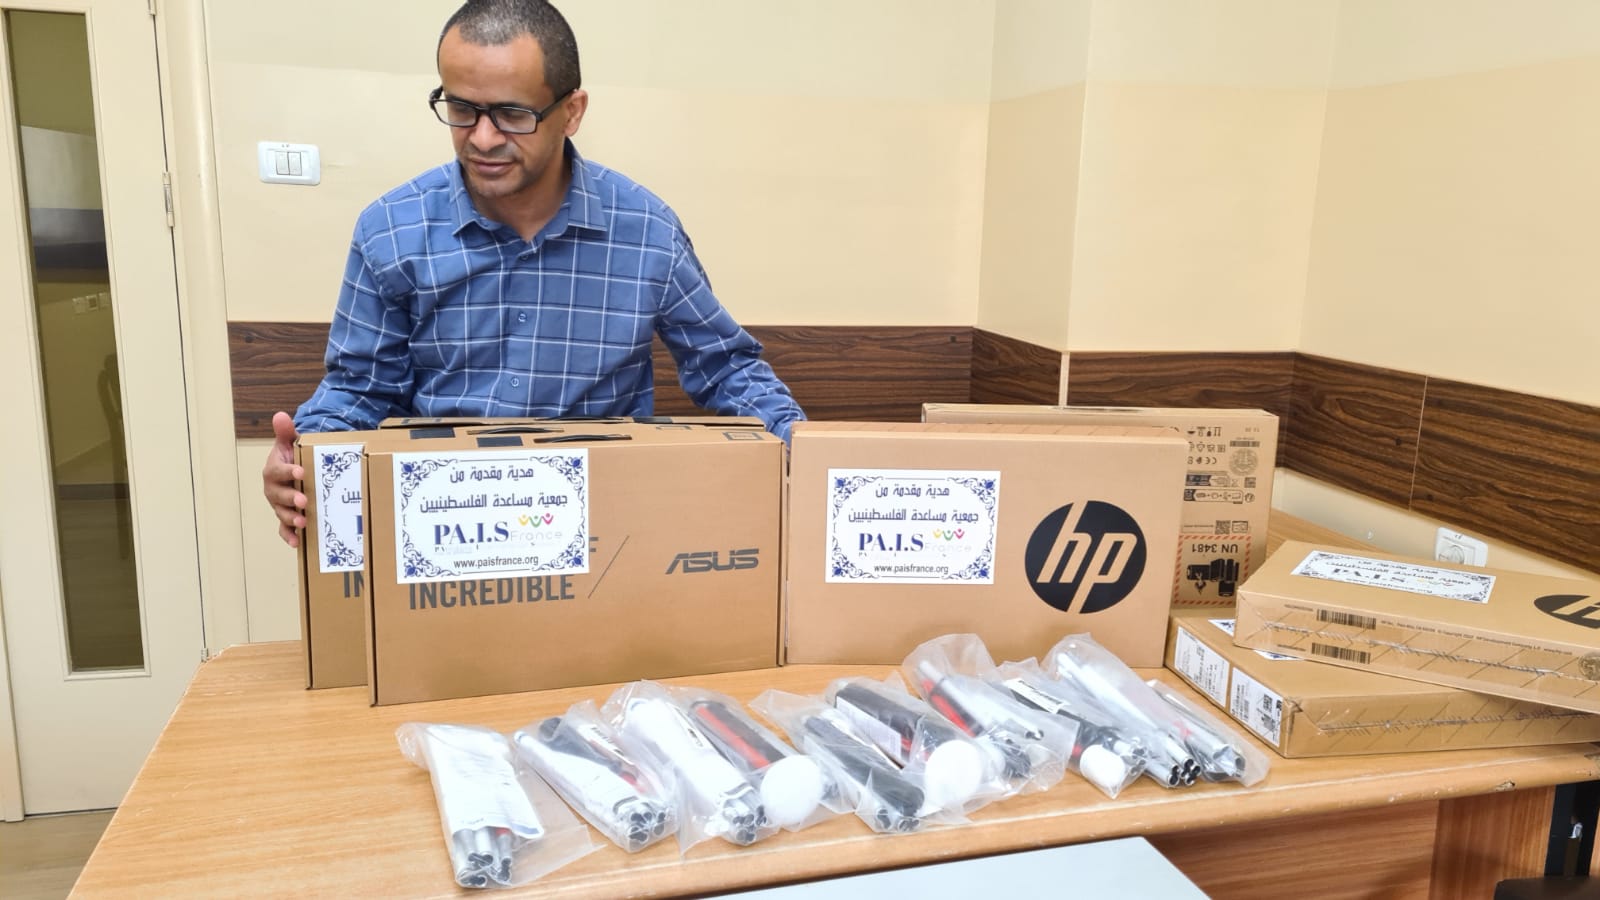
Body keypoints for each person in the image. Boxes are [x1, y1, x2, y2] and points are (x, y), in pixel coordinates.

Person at [263, 0, 804, 548]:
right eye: (462, 108)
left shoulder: (645, 230)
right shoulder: (390, 230)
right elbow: (359, 389)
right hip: (446, 525)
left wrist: (806, 451)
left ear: (571, 112)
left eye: (513, 114)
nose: (483, 138)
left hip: (606, 529)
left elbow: (725, 367)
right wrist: (305, 460)